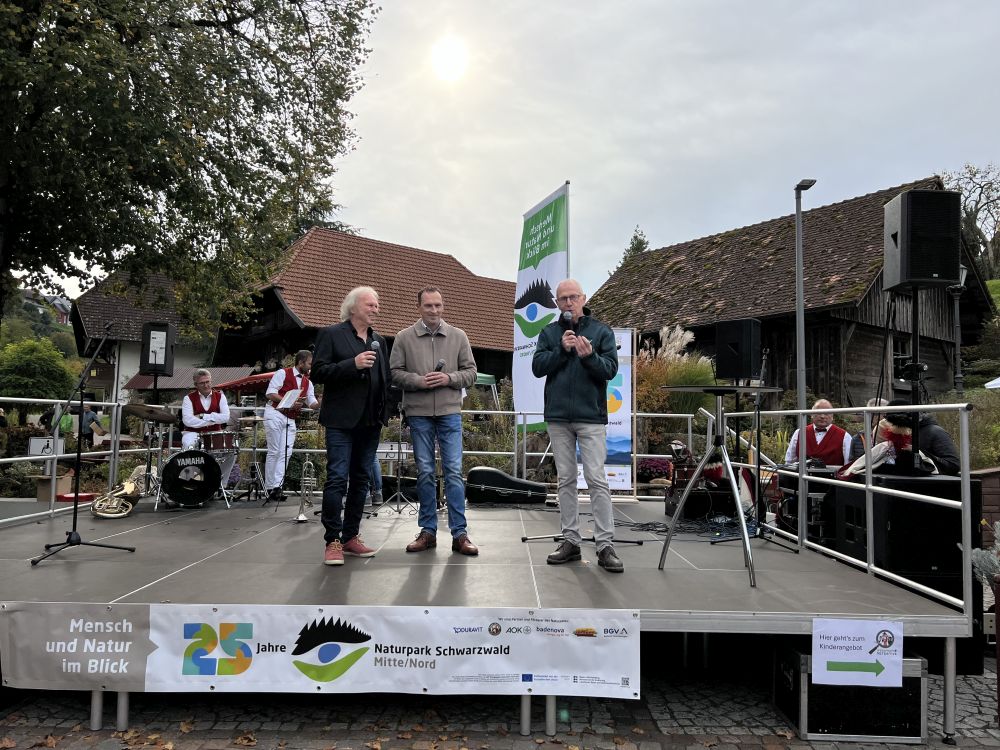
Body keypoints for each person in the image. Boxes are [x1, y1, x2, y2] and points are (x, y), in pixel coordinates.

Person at [531, 279, 622, 573]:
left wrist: (589, 356)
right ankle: (570, 540)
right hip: (558, 418)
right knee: (566, 480)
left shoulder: (602, 331)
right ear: (557, 304)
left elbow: (609, 370)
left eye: (573, 297)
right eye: (562, 299)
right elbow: (537, 367)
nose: (568, 303)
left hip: (590, 417)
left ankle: (605, 544)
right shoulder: (549, 332)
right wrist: (561, 350)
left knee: (596, 479)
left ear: (583, 298)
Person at [390, 286, 479, 556]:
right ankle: (427, 531)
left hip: (450, 412)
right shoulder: (403, 337)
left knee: (453, 471)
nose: (434, 310)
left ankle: (460, 534)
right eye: (429, 306)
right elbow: (394, 373)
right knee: (425, 472)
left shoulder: (458, 336)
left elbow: (471, 372)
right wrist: (418, 381)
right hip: (418, 413)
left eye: (438, 305)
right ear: (419, 307)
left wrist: (448, 378)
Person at [311, 286, 389, 566]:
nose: (375, 309)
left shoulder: (379, 340)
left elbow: (385, 379)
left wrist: (386, 412)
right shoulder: (331, 334)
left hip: (370, 423)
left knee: (361, 481)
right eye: (370, 304)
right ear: (353, 307)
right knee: (337, 479)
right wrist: (352, 364)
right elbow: (318, 373)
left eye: (377, 305)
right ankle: (332, 539)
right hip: (341, 421)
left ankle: (351, 536)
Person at [263, 350, 320, 502]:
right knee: (274, 451)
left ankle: (277, 486)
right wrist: (288, 402)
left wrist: (322, 401)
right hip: (275, 413)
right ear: (300, 362)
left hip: (290, 418)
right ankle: (270, 488)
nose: (310, 367)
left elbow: (312, 403)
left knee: (285, 453)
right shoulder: (282, 373)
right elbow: (270, 393)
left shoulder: (308, 382)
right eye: (309, 364)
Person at [181, 369, 237, 486]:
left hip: (215, 432)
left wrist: (202, 416)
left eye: (208, 382)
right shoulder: (188, 398)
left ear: (211, 381)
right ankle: (192, 484)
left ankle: (220, 485)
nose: (206, 385)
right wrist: (212, 420)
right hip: (192, 433)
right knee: (188, 446)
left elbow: (225, 417)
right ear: (196, 385)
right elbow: (188, 420)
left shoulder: (220, 396)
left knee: (231, 452)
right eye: (202, 383)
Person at [877, 399, 961, 476]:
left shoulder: (934, 431)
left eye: (893, 423)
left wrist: (920, 454)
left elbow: (953, 465)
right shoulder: (896, 433)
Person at [783, 398, 851, 467]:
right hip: (803, 477)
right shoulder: (799, 433)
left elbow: (848, 465)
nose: (822, 416)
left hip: (831, 477)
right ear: (811, 414)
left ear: (832, 416)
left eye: (826, 413)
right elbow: (789, 461)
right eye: (819, 412)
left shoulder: (845, 436)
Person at [848, 398, 888, 462]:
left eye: (875, 414)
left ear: (885, 415)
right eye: (868, 413)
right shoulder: (857, 438)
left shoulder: (892, 436)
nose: (871, 416)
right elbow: (852, 462)